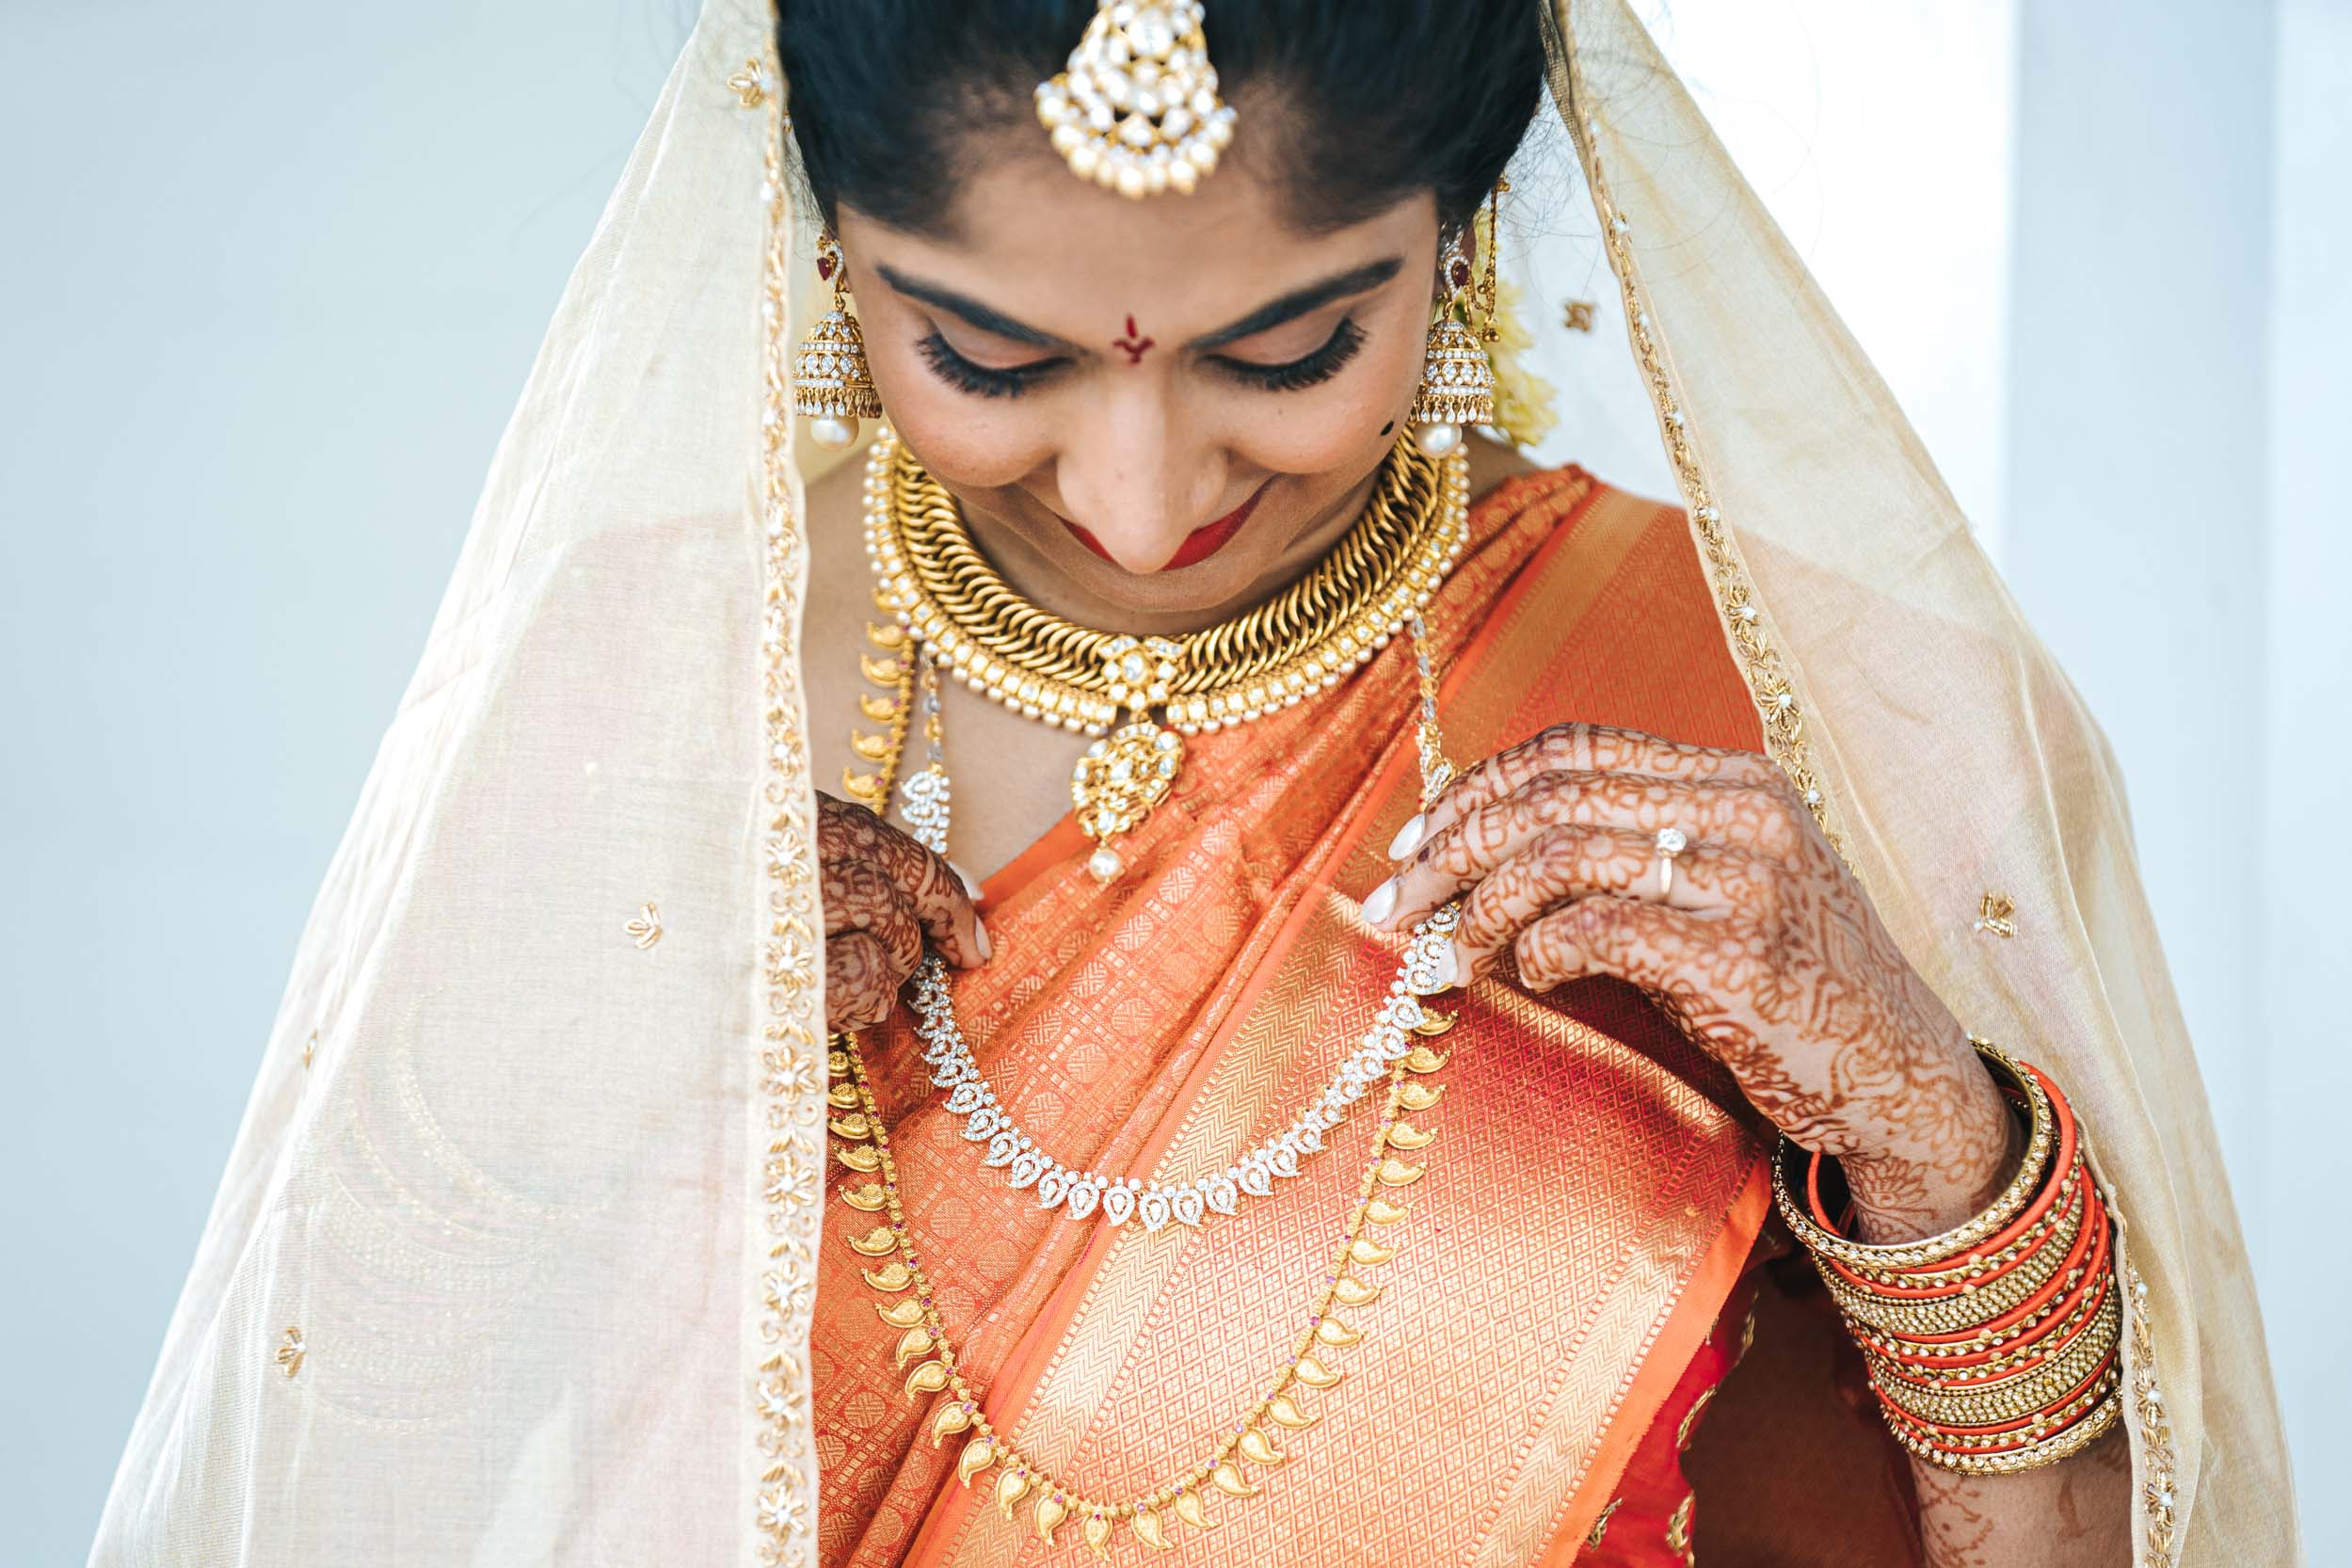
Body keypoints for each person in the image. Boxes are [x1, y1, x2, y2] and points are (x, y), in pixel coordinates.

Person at [90, 2, 2296, 1565]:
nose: (1140, 502)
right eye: (983, 355)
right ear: (820, 244)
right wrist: (517, 1103)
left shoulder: (1785, 705)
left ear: (1458, 223)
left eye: (1286, 348)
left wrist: (1926, 1136)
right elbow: (326, 1484)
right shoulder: (653, 677)